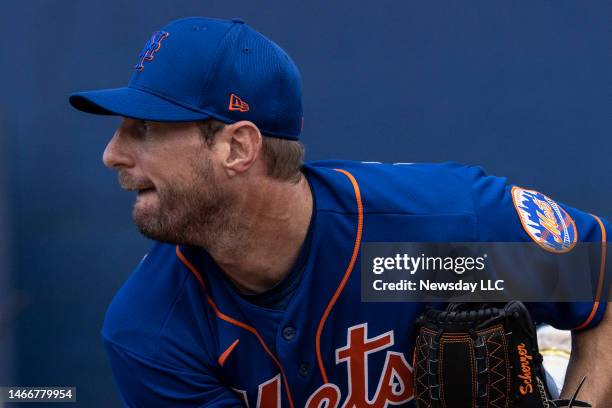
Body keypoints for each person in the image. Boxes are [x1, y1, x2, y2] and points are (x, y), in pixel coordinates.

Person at [70, 17, 611, 407]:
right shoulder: (159, 327)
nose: (112, 153)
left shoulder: (414, 253)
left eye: (143, 129)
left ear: (236, 148)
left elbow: (604, 301)